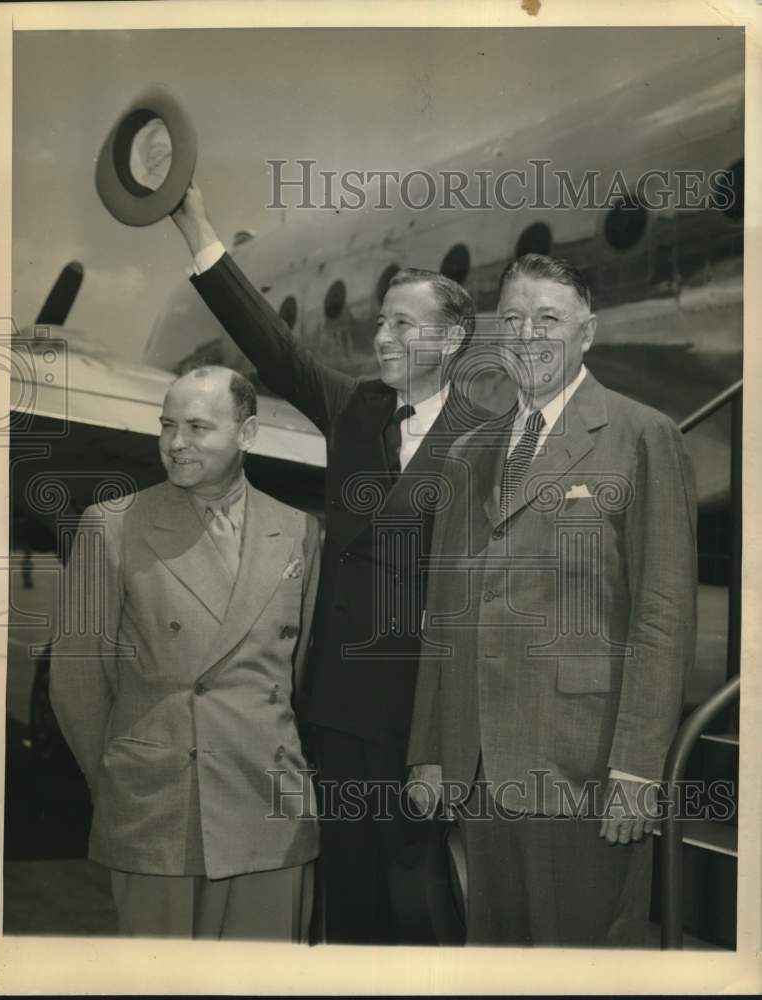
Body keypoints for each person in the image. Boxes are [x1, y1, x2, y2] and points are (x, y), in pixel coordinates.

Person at [170, 183, 512, 944]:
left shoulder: (490, 435)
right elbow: (274, 348)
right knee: (351, 897)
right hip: (341, 705)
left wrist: (449, 742)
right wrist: (197, 225)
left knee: (420, 900)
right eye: (382, 319)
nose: (382, 335)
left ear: (453, 341)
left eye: (403, 323)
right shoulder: (355, 409)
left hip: (422, 715)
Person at [407, 253, 698, 946]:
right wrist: (429, 750)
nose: (527, 335)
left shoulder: (641, 437)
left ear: (587, 333)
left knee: (584, 962)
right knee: (496, 959)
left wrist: (637, 768)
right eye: (511, 319)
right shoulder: (469, 452)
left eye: (548, 319)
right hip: (480, 768)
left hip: (585, 768)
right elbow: (444, 615)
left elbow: (662, 616)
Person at [50, 365, 321, 940]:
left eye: (198, 427)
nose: (176, 443)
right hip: (160, 809)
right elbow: (76, 682)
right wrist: (122, 783)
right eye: (167, 425)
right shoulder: (112, 526)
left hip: (268, 808)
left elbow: (302, 675)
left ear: (246, 434)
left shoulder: (298, 530)